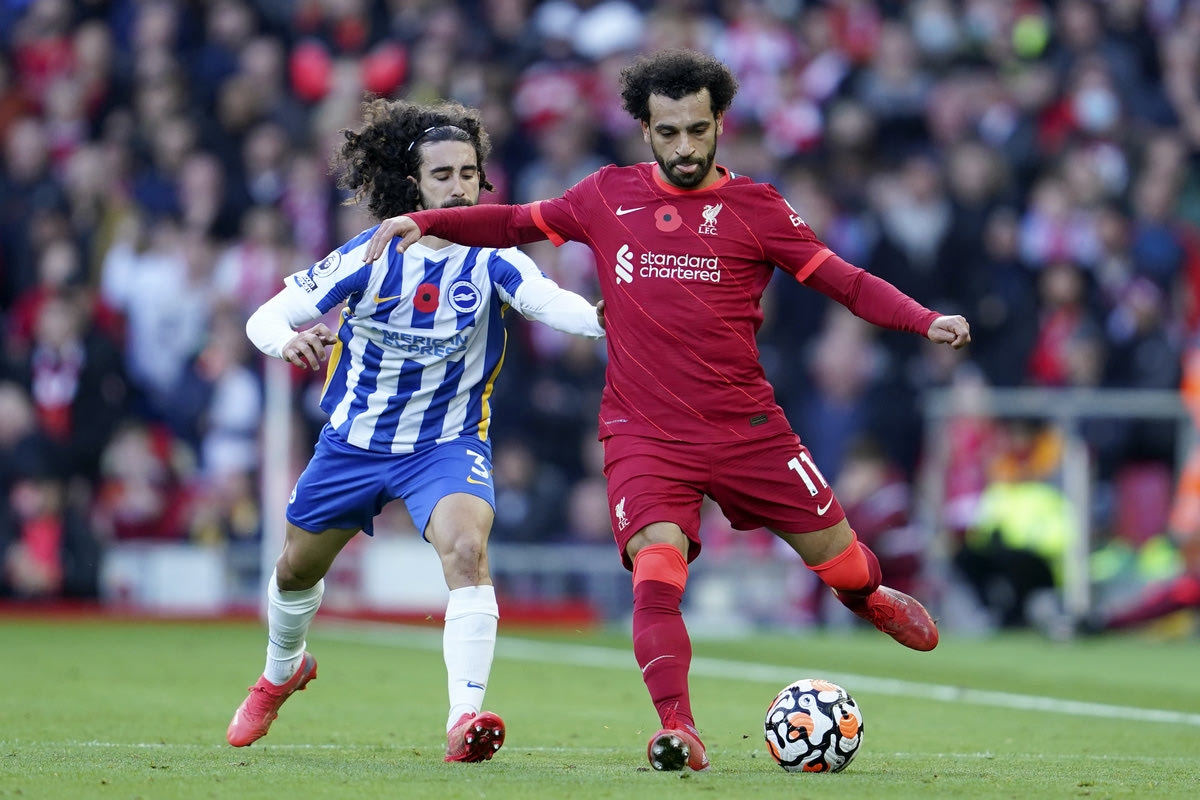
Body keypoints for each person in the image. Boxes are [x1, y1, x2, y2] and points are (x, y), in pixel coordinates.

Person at [363, 49, 971, 772]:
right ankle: (677, 728)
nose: (684, 147)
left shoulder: (758, 208)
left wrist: (924, 319)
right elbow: (515, 222)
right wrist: (425, 220)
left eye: (697, 130)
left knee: (841, 564)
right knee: (657, 572)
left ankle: (866, 594)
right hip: (645, 434)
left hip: (748, 429)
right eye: (669, 132)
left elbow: (846, 281)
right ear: (645, 130)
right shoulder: (605, 195)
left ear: (720, 124)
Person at [226, 98, 605, 762]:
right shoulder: (370, 253)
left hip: (446, 444)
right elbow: (265, 318)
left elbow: (553, 305)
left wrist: (604, 318)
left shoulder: (494, 258)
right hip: (354, 444)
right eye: (443, 174)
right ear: (414, 185)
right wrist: (288, 342)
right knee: (294, 569)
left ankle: (465, 719)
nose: (459, 186)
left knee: (467, 550)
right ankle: (281, 673)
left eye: (469, 172)